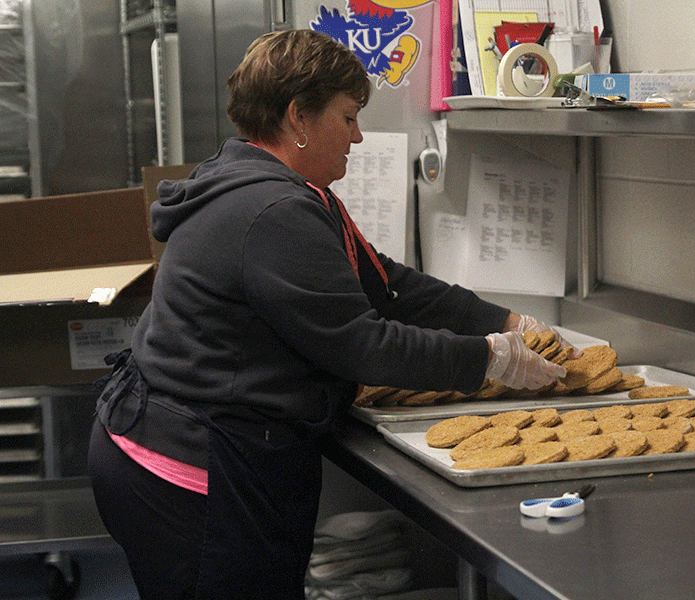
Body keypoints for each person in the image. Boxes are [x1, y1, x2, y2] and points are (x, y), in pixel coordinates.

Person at [88, 29, 574, 600]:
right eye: (347, 119)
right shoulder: (272, 210)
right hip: (194, 467)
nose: (358, 137)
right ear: (298, 118)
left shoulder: (278, 186)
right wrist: (487, 359)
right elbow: (363, 345)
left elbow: (388, 285)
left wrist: (505, 321)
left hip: (169, 442)